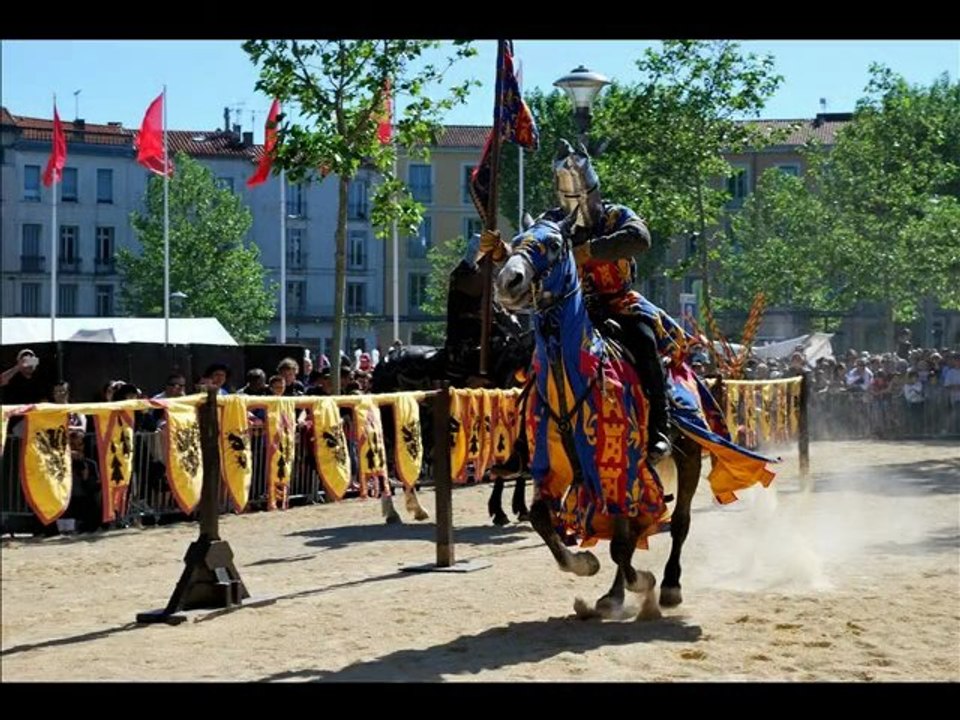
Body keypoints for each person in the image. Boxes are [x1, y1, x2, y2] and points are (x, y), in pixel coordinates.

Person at [479, 139, 671, 460]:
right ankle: (524, 440)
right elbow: (532, 252)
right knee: (531, 356)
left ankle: (659, 427)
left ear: (594, 191)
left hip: (617, 303)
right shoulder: (552, 221)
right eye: (569, 198)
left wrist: (588, 252)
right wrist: (502, 252)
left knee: (644, 340)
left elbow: (640, 238)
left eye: (581, 196)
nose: (576, 204)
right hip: (571, 307)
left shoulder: (615, 216)